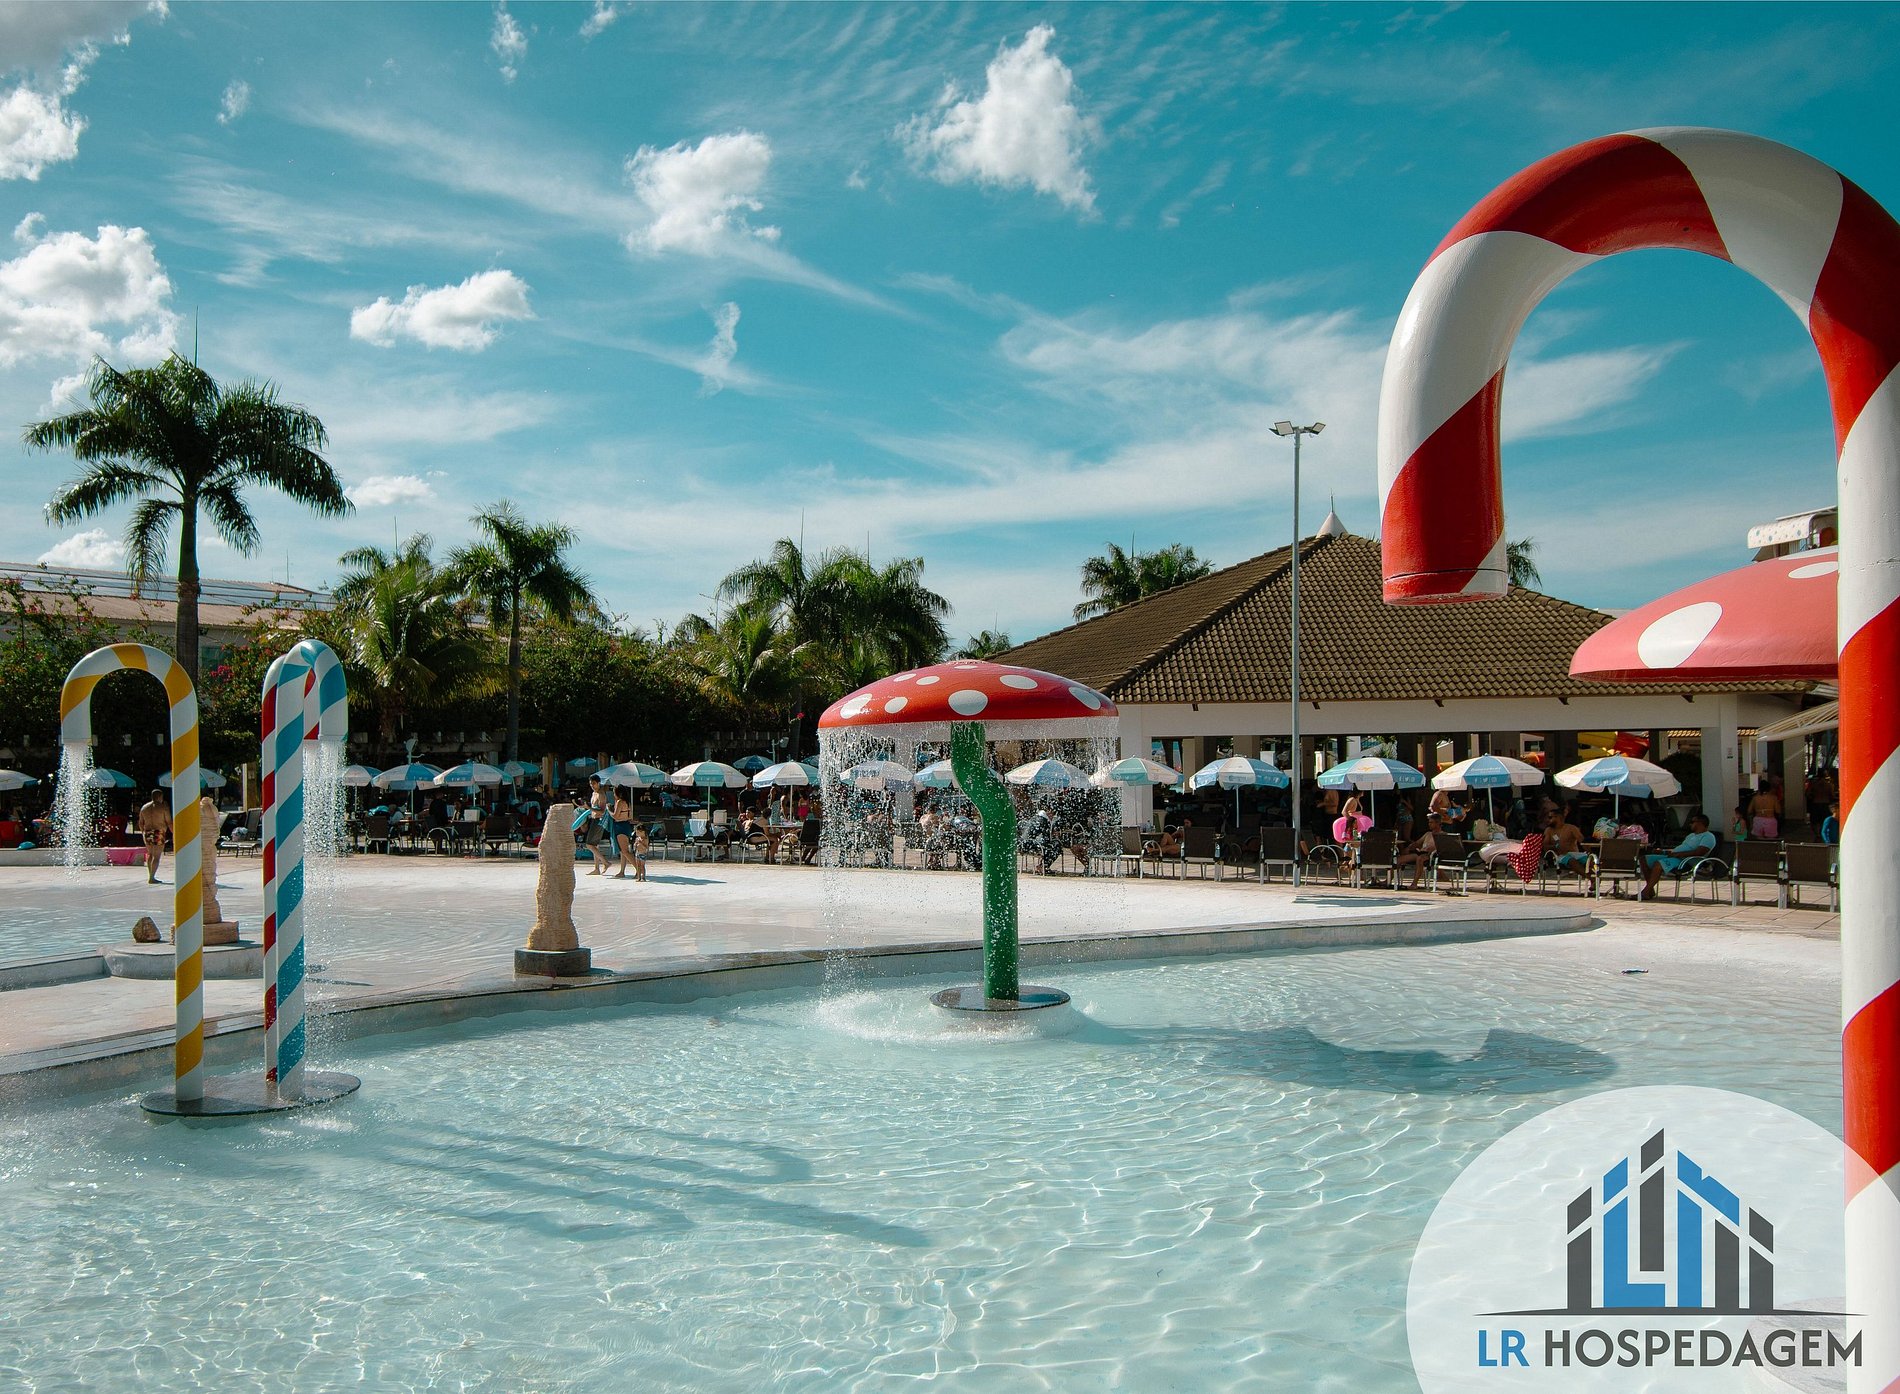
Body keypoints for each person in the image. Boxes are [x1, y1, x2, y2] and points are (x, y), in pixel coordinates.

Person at [1639, 813, 1718, 901]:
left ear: (1700, 823)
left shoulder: (1708, 836)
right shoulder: (1691, 836)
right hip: (1676, 857)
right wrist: (1663, 851)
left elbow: (1700, 852)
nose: (1690, 824)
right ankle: (1650, 890)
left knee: (1659, 864)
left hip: (1686, 861)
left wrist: (1678, 854)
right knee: (1644, 859)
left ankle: (1645, 892)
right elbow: (1678, 849)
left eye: (1692, 822)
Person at [1395, 814, 1443, 890]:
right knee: (1398, 859)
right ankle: (1389, 880)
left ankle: (1414, 884)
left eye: (1431, 822)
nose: (1429, 824)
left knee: (1420, 859)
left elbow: (1442, 849)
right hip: (1420, 853)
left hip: (1431, 855)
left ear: (1437, 823)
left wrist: (1432, 849)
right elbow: (1417, 843)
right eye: (1429, 822)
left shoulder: (1442, 835)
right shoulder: (1428, 834)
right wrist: (1409, 847)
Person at [136, 790, 171, 883]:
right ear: (160, 796)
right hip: (159, 832)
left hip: (147, 832)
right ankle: (152, 877)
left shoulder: (144, 807)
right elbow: (169, 822)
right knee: (156, 856)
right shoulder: (163, 807)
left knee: (150, 854)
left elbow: (140, 823)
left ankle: (150, 875)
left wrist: (143, 832)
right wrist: (174, 833)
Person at [1547, 807, 1588, 872]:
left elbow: (1582, 841)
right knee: (1571, 860)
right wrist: (1556, 847)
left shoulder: (1571, 828)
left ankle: (1594, 876)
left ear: (1558, 817)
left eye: (1550, 817)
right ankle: (1588, 877)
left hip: (1575, 854)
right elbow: (1545, 846)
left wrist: (1590, 852)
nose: (1548, 820)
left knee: (1589, 860)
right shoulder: (1549, 830)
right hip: (1560, 856)